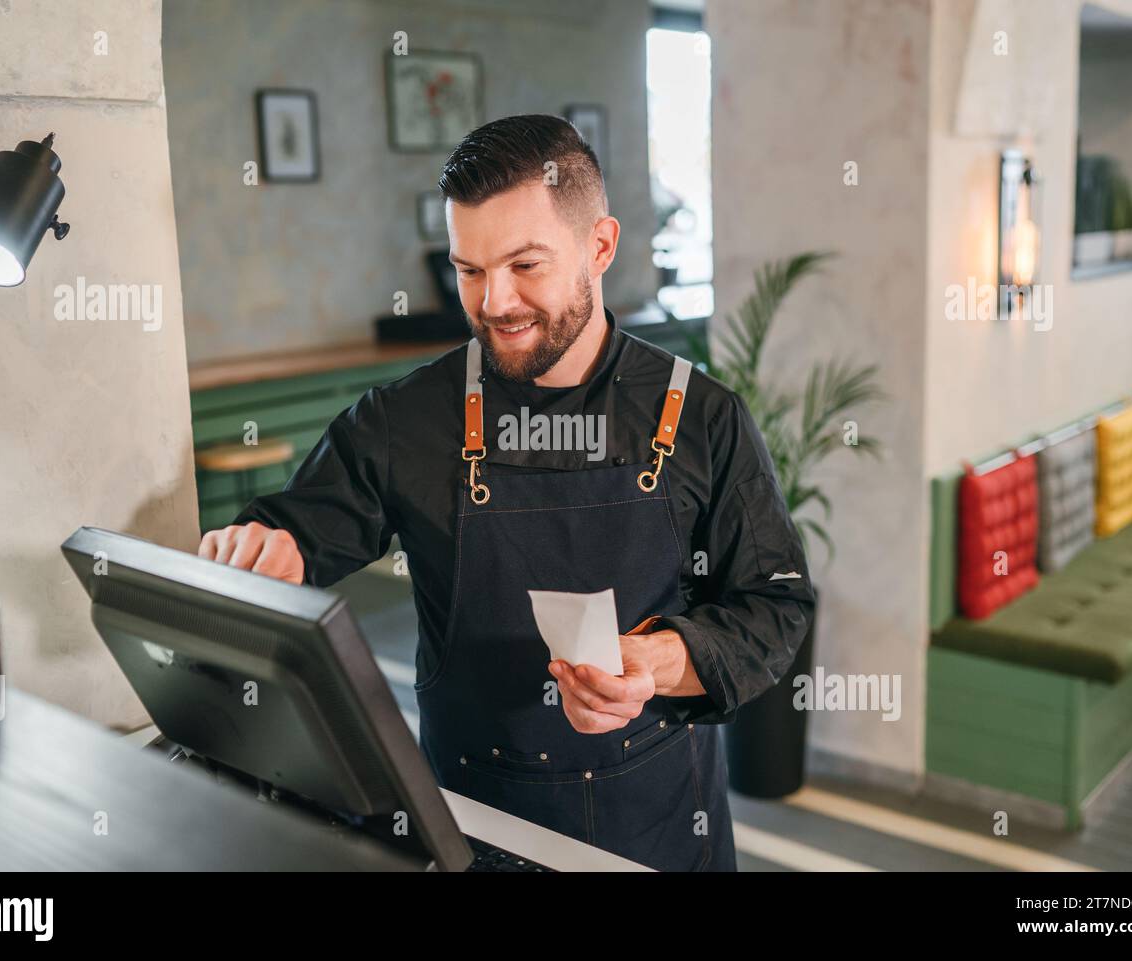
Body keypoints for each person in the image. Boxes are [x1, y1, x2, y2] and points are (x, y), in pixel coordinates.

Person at [198, 114, 815, 871]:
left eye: (526, 265)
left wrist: (655, 663)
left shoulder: (704, 416)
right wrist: (272, 544)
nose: (495, 302)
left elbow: (776, 607)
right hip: (473, 828)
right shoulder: (404, 420)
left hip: (658, 828)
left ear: (600, 247)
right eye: (469, 269)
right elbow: (303, 527)